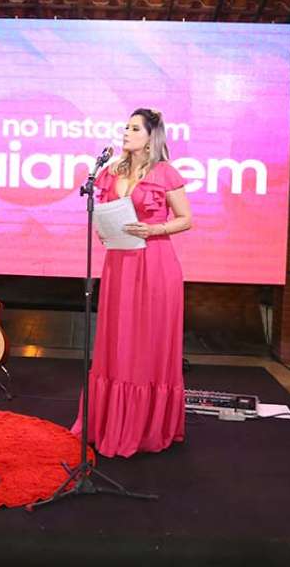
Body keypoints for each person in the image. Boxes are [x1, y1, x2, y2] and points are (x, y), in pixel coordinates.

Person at [72, 108, 192, 458]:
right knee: (118, 339)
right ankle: (109, 422)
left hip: (155, 265)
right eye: (126, 126)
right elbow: (105, 212)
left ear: (151, 136)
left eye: (135, 128)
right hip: (120, 263)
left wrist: (154, 229)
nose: (126, 132)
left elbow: (186, 219)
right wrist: (104, 229)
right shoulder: (111, 171)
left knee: (146, 343)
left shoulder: (165, 172)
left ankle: (145, 425)